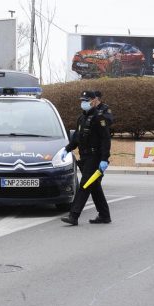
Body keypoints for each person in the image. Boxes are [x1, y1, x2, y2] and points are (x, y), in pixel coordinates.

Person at [61, 90, 112, 226]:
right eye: (82, 100)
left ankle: (74, 216)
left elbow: (106, 139)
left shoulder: (99, 118)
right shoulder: (81, 118)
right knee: (94, 187)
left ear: (94, 101)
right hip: (84, 157)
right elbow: (77, 137)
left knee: (85, 185)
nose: (83, 103)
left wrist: (104, 159)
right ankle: (104, 215)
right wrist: (67, 149)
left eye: (86, 100)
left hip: (95, 158)